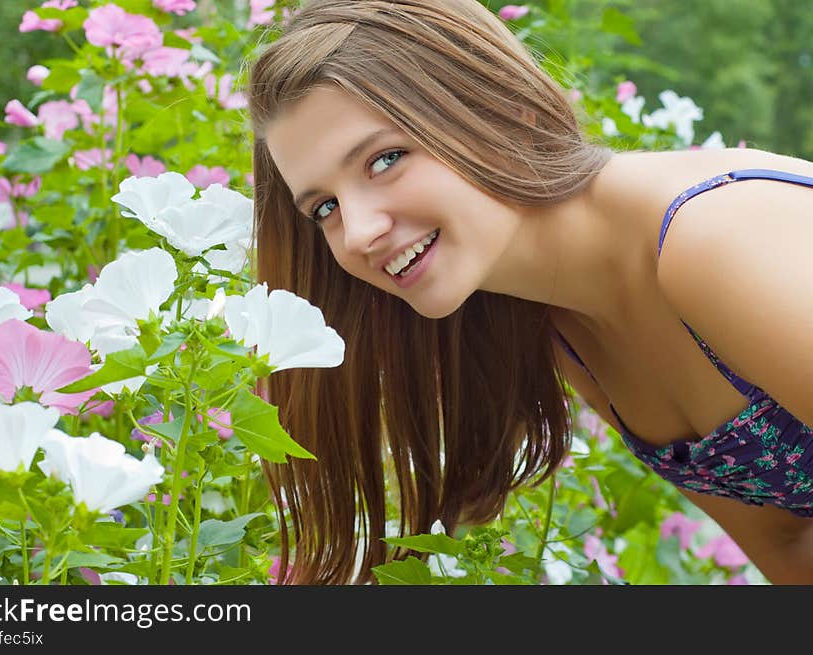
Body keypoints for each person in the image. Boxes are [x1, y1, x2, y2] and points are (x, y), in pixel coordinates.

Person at [246, 0, 813, 584]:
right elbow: (791, 548)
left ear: (499, 107)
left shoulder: (706, 239)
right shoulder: (562, 320)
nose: (359, 232)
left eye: (385, 159)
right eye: (326, 208)